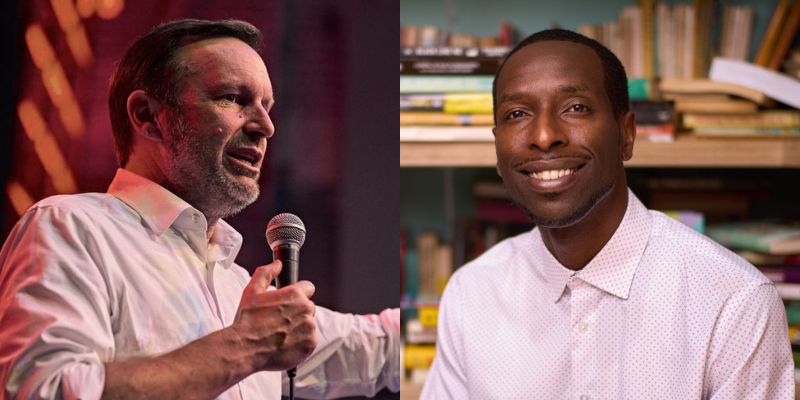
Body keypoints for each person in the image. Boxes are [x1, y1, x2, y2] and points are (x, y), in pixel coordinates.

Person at [0, 19, 399, 399]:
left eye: (267, 106)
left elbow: (377, 348)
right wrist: (244, 347)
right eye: (232, 98)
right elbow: (45, 390)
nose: (265, 125)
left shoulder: (235, 285)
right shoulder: (73, 229)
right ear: (147, 116)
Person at [421, 29, 794, 399]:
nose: (545, 135)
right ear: (497, 149)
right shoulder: (471, 293)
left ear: (626, 135)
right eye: (517, 113)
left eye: (576, 108)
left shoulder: (734, 302)